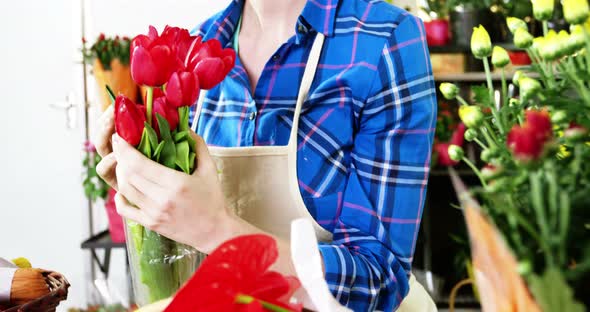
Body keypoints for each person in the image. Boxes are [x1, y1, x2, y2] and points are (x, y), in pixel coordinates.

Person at [95, 0, 437, 310]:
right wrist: (144, 185)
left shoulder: (383, 40)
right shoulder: (199, 46)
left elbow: (378, 281)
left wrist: (215, 229)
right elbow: (185, 249)